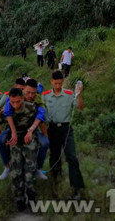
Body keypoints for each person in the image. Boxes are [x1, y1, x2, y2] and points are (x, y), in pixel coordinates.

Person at [0, 88, 42, 211]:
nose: (15, 105)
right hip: (15, 143)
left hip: (29, 142)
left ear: (23, 98)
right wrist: (2, 138)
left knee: (29, 173)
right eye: (12, 102)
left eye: (18, 101)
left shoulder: (31, 107)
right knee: (16, 173)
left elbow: (40, 119)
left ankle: (32, 202)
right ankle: (19, 202)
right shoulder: (7, 110)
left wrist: (32, 131)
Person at [42, 70, 85, 199]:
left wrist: (79, 95)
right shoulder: (45, 95)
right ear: (51, 82)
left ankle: (76, 188)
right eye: (55, 84)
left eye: (60, 83)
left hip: (66, 129)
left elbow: (80, 107)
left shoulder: (69, 94)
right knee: (54, 157)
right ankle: (55, 182)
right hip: (52, 129)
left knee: (72, 156)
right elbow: (39, 110)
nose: (58, 86)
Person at [2, 79, 49, 180]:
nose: (30, 95)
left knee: (45, 143)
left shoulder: (38, 100)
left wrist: (33, 130)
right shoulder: (15, 97)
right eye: (28, 92)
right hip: (14, 128)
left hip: (31, 129)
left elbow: (41, 117)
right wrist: (13, 132)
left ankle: (38, 168)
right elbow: (7, 113)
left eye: (33, 93)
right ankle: (7, 166)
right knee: (1, 140)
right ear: (24, 89)